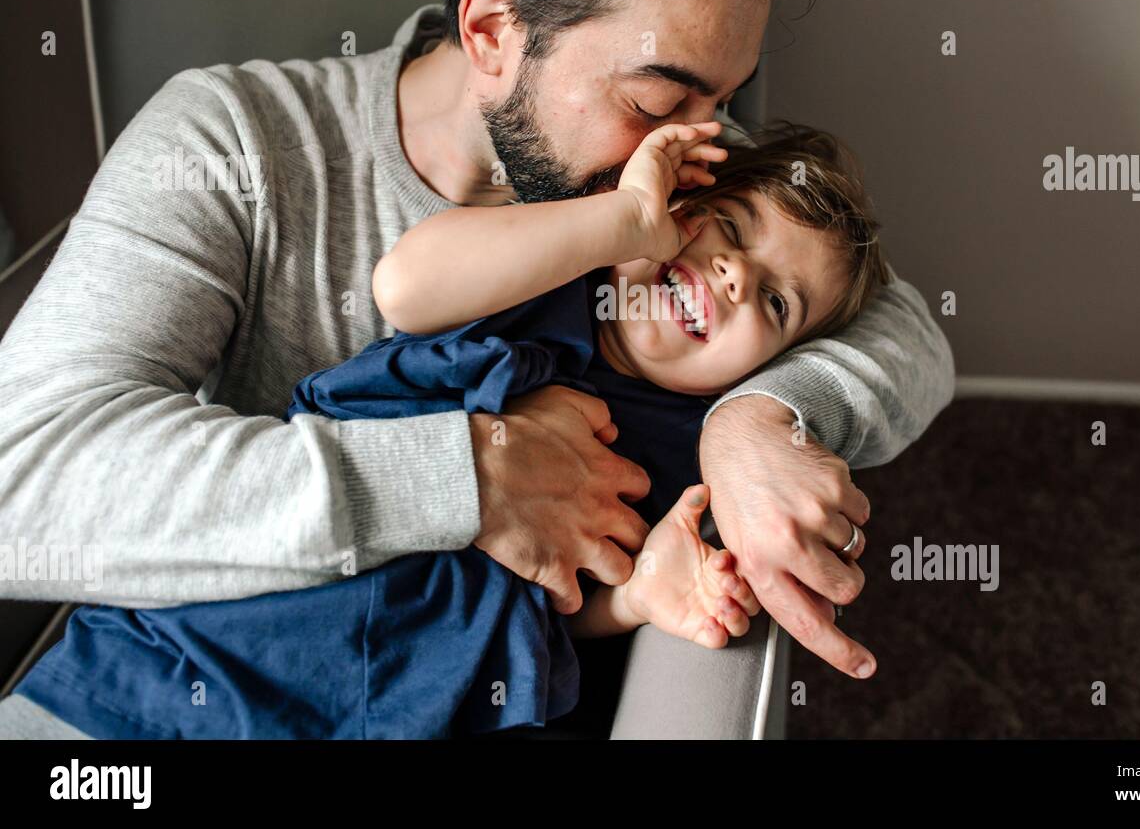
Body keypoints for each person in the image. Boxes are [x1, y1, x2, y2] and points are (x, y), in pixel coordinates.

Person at [0, 0, 954, 739]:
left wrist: (760, 418)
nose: (703, 140)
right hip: (165, 688)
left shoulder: (671, 189)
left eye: (723, 99)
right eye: (662, 97)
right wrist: (473, 477)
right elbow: (20, 489)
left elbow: (905, 329)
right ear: (493, 31)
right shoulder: (231, 142)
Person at [9, 122, 891, 738]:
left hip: (390, 710)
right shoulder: (547, 280)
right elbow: (408, 286)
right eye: (728, 229)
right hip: (172, 669)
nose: (735, 276)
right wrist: (619, 222)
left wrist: (636, 598)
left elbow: (541, 623)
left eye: (775, 301)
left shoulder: (686, 456)